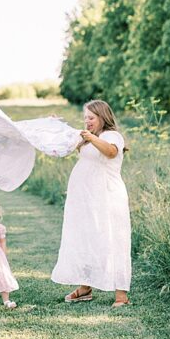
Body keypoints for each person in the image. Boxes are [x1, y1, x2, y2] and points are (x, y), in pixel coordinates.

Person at [51, 99, 131, 307]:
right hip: (86, 198)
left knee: (113, 238)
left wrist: (89, 137)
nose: (87, 121)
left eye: (91, 118)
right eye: (85, 118)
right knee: (86, 238)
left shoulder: (112, 136)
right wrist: (57, 128)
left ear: (102, 117)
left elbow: (111, 152)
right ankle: (85, 288)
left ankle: (121, 295)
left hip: (108, 197)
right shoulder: (88, 138)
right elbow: (64, 147)